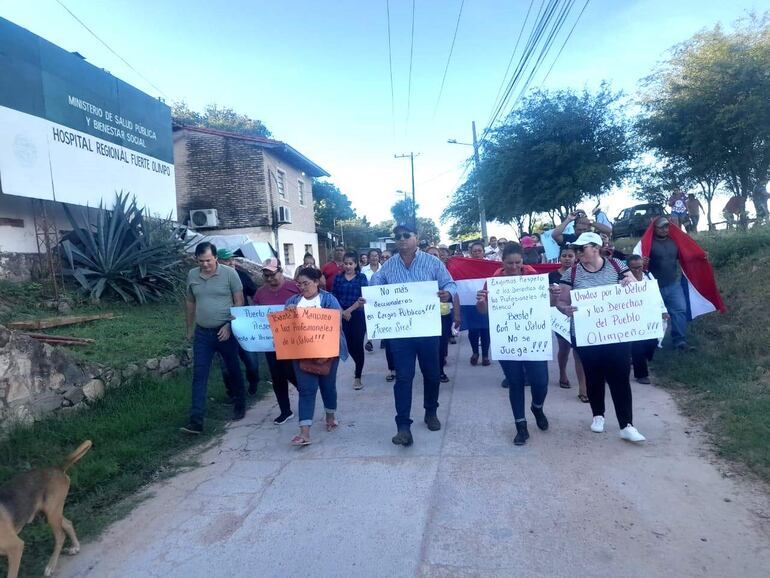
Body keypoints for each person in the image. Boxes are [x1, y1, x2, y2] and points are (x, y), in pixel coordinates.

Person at [369, 223, 456, 447]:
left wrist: (447, 293)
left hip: (427, 330)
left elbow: (450, 283)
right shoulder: (387, 267)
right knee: (404, 378)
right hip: (400, 334)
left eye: (406, 235)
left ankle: (431, 412)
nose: (402, 239)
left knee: (431, 374)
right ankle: (403, 427)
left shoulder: (432, 262)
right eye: (397, 236)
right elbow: (374, 288)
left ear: (416, 238)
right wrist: (368, 298)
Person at [556, 232, 646, 443]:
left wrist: (629, 284)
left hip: (616, 333)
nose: (578, 253)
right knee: (593, 375)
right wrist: (565, 309)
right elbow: (561, 301)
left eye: (581, 248)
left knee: (620, 377)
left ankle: (627, 425)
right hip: (586, 334)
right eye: (577, 249)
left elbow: (635, 288)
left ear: (595, 248)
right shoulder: (573, 272)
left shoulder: (616, 266)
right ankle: (598, 415)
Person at [476, 243, 546, 446]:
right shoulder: (494, 281)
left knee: (540, 382)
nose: (514, 267)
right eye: (509, 263)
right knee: (515, 382)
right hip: (507, 339)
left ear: (523, 260)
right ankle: (521, 426)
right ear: (502, 262)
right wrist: (481, 302)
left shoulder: (534, 278)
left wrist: (553, 296)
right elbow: (483, 311)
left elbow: (547, 304)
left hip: (533, 337)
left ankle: (537, 407)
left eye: (518, 262)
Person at [182, 242, 246, 434]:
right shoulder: (192, 275)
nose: (205, 265)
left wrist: (229, 325)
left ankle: (240, 405)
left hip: (225, 331)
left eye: (208, 260)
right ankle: (196, 420)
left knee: (233, 368)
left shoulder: (229, 274)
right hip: (203, 333)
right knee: (199, 375)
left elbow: (239, 302)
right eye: (201, 261)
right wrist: (189, 328)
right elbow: (190, 301)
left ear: (216, 257)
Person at [285, 267, 349, 446]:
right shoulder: (292, 301)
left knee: (328, 386)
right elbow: (286, 330)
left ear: (316, 282)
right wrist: (288, 315)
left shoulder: (329, 299)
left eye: (306, 283)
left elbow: (336, 323)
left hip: (327, 353)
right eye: (299, 284)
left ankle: (330, 416)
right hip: (301, 353)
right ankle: (304, 432)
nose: (303, 287)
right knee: (306, 390)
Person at [252, 258, 300, 424]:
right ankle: (285, 411)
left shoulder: (294, 288)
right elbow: (255, 316)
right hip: (271, 342)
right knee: (277, 376)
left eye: (272, 274)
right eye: (266, 275)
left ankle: (307, 394)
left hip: (293, 341)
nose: (269, 278)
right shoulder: (260, 293)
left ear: (280, 271)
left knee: (292, 373)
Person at [216, 248, 261, 396]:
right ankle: (232, 392)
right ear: (218, 261)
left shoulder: (242, 276)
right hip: (222, 325)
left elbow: (256, 295)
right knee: (225, 364)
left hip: (243, 324)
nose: (231, 263)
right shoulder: (214, 280)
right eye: (227, 260)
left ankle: (253, 382)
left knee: (251, 360)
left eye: (232, 259)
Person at [548, 246, 588, 402]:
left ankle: (583, 388)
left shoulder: (581, 273)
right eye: (563, 255)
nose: (566, 258)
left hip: (579, 314)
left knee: (578, 350)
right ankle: (562, 373)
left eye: (570, 255)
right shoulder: (552, 275)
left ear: (575, 258)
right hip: (560, 315)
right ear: (559, 258)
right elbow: (549, 298)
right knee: (564, 347)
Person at [646, 217, 690, 350]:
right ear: (654, 228)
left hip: (673, 284)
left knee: (679, 310)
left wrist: (700, 256)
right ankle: (651, 343)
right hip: (654, 287)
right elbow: (637, 261)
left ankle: (679, 341)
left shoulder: (674, 242)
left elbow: (686, 255)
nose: (664, 229)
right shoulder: (647, 244)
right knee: (652, 315)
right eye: (661, 227)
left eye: (666, 227)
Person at [332, 251, 368, 390]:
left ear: (356, 264)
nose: (348, 266)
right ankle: (358, 364)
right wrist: (342, 312)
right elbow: (333, 296)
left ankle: (358, 375)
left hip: (357, 314)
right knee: (347, 344)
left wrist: (349, 311)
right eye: (345, 263)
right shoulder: (338, 278)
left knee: (357, 345)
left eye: (350, 263)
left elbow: (363, 297)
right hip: (341, 314)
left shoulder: (361, 277)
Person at [626, 255, 662, 384]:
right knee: (638, 345)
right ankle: (641, 374)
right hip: (631, 316)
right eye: (633, 268)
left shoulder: (649, 276)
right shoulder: (623, 279)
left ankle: (637, 358)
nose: (636, 270)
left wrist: (663, 311)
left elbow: (656, 294)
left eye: (639, 267)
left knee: (652, 341)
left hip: (648, 314)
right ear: (628, 268)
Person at [467, 241, 491, 366]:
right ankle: (475, 352)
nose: (477, 253)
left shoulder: (490, 265)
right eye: (474, 251)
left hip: (486, 302)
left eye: (479, 251)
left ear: (483, 252)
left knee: (486, 330)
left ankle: (486, 355)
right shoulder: (465, 265)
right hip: (471, 302)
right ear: (471, 253)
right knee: (473, 330)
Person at [361, 248, 381, 352]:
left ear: (379, 257)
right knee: (370, 319)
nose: (374, 257)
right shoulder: (364, 270)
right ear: (369, 258)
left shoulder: (383, 268)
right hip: (368, 299)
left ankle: (384, 338)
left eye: (376, 255)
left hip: (381, 299)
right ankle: (370, 341)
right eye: (372, 256)